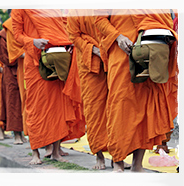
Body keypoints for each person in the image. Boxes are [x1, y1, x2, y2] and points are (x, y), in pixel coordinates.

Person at [95, 9, 178, 172]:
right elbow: (99, 20)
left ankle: (137, 164)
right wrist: (118, 37)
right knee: (120, 106)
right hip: (121, 52)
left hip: (151, 50)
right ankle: (118, 162)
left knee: (145, 108)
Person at [11, 9, 86, 164]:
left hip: (58, 60)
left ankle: (56, 151)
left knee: (58, 107)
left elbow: (66, 27)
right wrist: (33, 41)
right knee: (36, 108)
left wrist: (69, 43)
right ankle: (35, 154)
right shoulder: (20, 9)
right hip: (34, 61)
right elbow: (17, 35)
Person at [66, 9, 108, 170]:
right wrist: (94, 49)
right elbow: (73, 36)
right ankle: (99, 155)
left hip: (112, 58)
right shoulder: (75, 10)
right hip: (88, 63)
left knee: (115, 108)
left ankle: (118, 156)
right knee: (94, 110)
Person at [0, 18, 26, 143]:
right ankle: (17, 135)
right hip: (11, 73)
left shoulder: (23, 32)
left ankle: (23, 133)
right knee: (13, 103)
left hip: (25, 70)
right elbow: (5, 58)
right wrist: (21, 55)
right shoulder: (3, 36)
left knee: (25, 102)